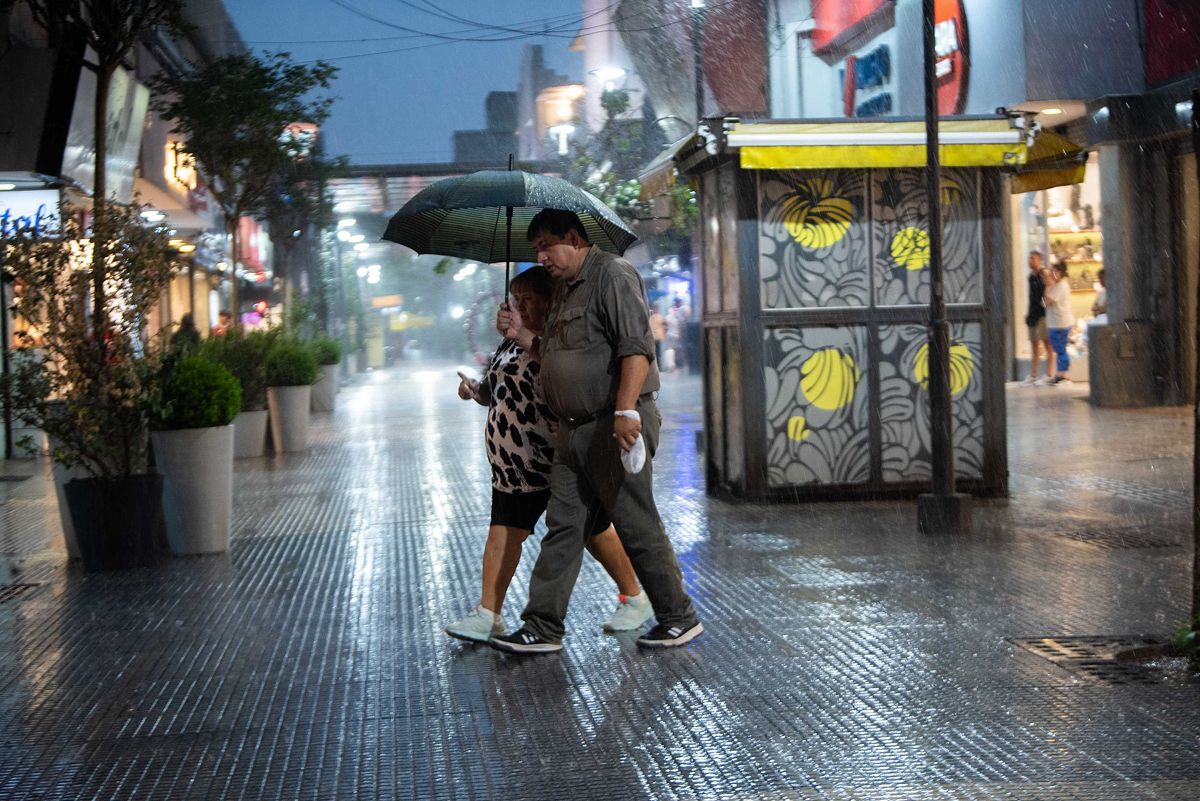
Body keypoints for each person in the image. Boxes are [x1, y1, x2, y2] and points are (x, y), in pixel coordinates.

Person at [492, 209, 702, 654]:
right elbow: (554, 352)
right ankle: (542, 626)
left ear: (573, 237)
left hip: (613, 425)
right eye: (536, 250)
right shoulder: (563, 290)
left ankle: (678, 617)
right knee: (563, 528)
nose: (541, 257)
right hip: (572, 432)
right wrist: (521, 333)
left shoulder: (613, 275)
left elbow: (637, 347)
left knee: (635, 522)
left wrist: (626, 410)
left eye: (546, 246)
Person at [446, 265, 654, 644]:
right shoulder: (509, 343)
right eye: (516, 299)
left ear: (549, 301)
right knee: (504, 532)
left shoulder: (556, 341)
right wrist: (475, 390)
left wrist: (526, 338)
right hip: (512, 467)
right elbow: (497, 388)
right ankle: (489, 614)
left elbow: (563, 379)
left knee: (594, 532)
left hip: (552, 457)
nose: (520, 306)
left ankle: (635, 596)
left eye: (528, 299)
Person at [1021, 251, 1053, 386]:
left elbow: (1050, 286)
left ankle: (1049, 373)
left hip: (1042, 314)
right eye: (1029, 258)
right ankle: (1033, 375)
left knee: (1047, 345)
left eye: (1033, 258)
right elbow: (1031, 296)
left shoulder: (1043, 273)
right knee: (1034, 346)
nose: (1030, 261)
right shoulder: (1031, 277)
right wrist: (1029, 313)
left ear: (1039, 260)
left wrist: (1044, 303)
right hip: (1033, 314)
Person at [1043, 260, 1074, 386]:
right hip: (1057, 323)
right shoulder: (1058, 285)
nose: (1051, 273)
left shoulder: (1061, 286)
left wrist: (1047, 286)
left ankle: (1062, 375)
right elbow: (1044, 303)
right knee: (1060, 349)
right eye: (1051, 271)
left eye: (1053, 271)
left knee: (1060, 349)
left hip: (1060, 323)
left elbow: (1046, 302)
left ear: (1060, 272)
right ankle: (1062, 374)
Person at [665, 297, 689, 374]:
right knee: (679, 350)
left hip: (674, 334)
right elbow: (681, 323)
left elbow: (669, 325)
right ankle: (679, 365)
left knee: (673, 350)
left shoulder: (677, 313)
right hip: (677, 334)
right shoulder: (679, 313)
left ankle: (673, 366)